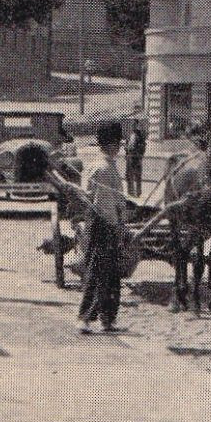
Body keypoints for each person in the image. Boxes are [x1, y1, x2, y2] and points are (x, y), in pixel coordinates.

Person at [78, 121, 128, 334]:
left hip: (100, 223)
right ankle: (86, 318)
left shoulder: (99, 164)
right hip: (103, 225)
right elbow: (105, 204)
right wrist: (118, 227)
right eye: (118, 144)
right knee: (99, 272)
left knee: (111, 274)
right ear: (111, 145)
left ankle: (108, 319)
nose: (120, 148)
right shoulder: (105, 169)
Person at [125, 122, 147, 197]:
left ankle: (138, 192)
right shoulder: (129, 135)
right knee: (128, 175)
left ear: (138, 126)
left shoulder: (141, 136)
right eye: (133, 125)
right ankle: (130, 192)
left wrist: (140, 156)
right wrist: (126, 150)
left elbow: (143, 148)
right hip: (129, 158)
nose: (133, 127)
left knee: (138, 176)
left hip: (136, 158)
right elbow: (126, 146)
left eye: (135, 125)